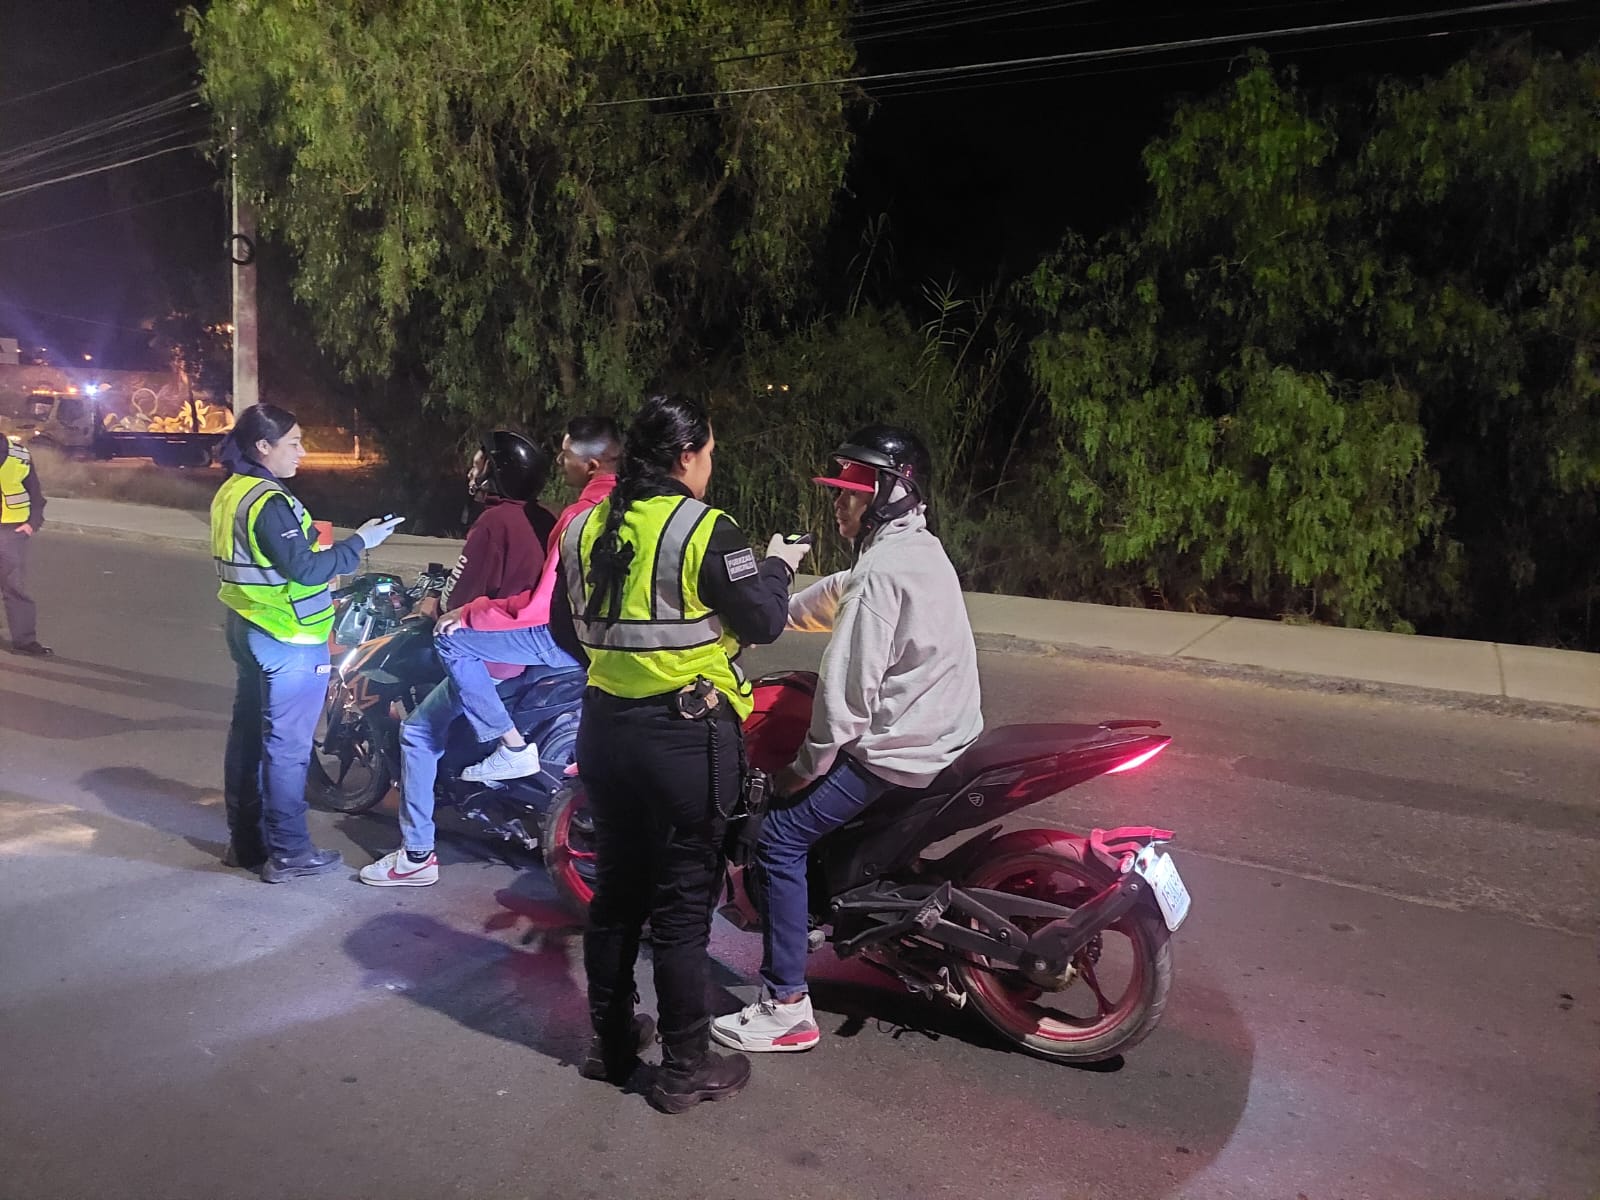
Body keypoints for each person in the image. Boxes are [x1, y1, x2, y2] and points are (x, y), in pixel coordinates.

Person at [564, 393, 810, 1112]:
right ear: (685, 456)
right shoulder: (705, 528)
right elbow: (763, 621)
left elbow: (562, 630)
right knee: (680, 905)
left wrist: (622, 667)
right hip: (683, 738)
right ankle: (684, 1067)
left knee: (616, 895)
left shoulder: (582, 526)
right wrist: (778, 565)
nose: (710, 466)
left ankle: (611, 1045)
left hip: (604, 730)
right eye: (709, 454)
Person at [710, 425, 983, 1054]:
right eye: (838, 490)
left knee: (778, 836)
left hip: (902, 747)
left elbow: (844, 704)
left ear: (889, 493)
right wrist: (770, 613)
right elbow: (837, 591)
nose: (839, 503)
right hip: (946, 729)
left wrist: (799, 772)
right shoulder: (913, 548)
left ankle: (785, 1007)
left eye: (851, 492)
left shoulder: (880, 573)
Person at [358, 416, 623, 888]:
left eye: (480, 463)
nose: (472, 471)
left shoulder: (502, 521)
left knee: (418, 730)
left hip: (520, 647)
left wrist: (444, 607)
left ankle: (416, 855)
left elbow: (468, 597)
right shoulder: (559, 514)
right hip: (586, 649)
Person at [212, 404, 403, 882]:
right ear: (264, 446)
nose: (302, 452)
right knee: (288, 748)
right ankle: (290, 852)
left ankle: (247, 842)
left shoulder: (233, 490)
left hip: (248, 625)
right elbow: (306, 568)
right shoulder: (269, 501)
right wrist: (360, 543)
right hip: (289, 635)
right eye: (294, 443)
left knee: (248, 737)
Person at [0, 436, 52, 656]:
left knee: (14, 586)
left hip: (11, 531)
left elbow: (35, 494)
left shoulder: (19, 454)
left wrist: (32, 523)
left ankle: (24, 641)